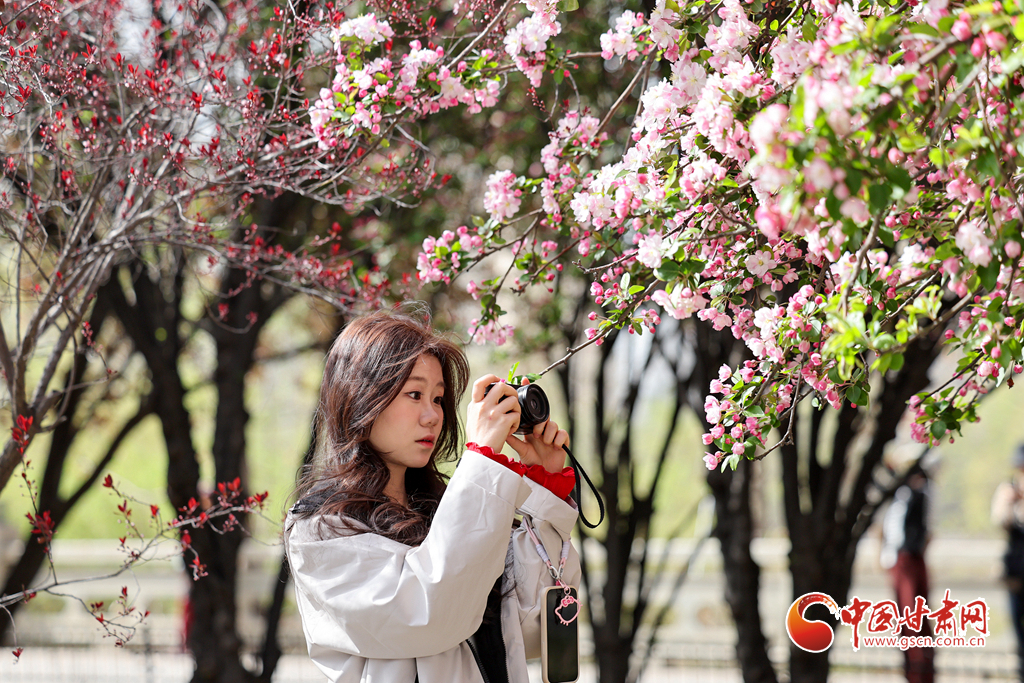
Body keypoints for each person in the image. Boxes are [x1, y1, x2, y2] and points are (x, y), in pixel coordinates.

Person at [285, 309, 581, 683]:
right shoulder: (320, 528)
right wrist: (481, 460)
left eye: (438, 398)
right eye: (414, 394)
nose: (432, 416)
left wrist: (545, 486)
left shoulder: (453, 508)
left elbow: (529, 627)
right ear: (361, 398)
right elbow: (429, 613)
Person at [880, 463, 934, 683]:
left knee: (913, 617)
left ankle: (919, 672)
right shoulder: (901, 495)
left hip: (909, 558)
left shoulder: (918, 494)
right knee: (909, 618)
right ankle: (915, 671)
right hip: (903, 558)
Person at [992, 444, 1024, 681]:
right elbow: (1000, 522)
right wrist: (1010, 504)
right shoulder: (1008, 489)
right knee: (1017, 626)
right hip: (1016, 569)